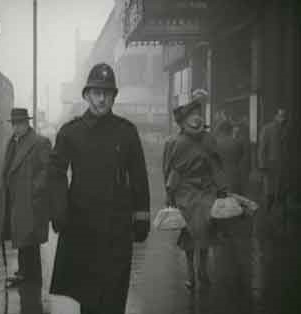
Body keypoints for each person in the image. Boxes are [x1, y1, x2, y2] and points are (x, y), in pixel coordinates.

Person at [48, 63, 150, 314]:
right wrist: (59, 210)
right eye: (96, 92)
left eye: (107, 93)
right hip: (82, 227)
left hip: (117, 230)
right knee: (89, 298)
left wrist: (141, 216)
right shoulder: (70, 133)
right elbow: (55, 173)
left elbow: (138, 176)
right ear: (86, 95)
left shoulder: (126, 132)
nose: (102, 98)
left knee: (115, 296)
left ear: (114, 96)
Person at [163, 100, 228, 289]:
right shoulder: (176, 142)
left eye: (198, 114)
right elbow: (173, 171)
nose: (196, 118)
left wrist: (222, 187)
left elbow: (216, 166)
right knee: (190, 232)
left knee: (205, 229)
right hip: (186, 193)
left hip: (206, 191)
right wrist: (170, 193)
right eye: (192, 115)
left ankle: (202, 271)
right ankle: (192, 273)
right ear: (184, 121)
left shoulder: (208, 140)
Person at [0, 108, 51, 286]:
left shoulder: (40, 142)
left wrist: (34, 189)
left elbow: (48, 170)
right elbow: (7, 168)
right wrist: (0, 189)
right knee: (22, 236)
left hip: (30, 200)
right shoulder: (12, 143)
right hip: (15, 199)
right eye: (14, 124)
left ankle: (30, 276)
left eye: (20, 123)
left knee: (29, 239)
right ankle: (25, 272)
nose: (16, 127)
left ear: (27, 123)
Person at [258, 108, 288, 212]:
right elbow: (262, 148)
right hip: (269, 164)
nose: (283, 118)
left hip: (282, 163)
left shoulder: (286, 129)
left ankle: (277, 209)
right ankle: (267, 210)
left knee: (279, 187)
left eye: (284, 116)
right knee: (269, 189)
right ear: (275, 116)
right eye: (280, 116)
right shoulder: (267, 129)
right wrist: (262, 164)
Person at [215, 120, 245, 194]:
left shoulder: (214, 143)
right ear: (230, 130)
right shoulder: (237, 143)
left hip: (219, 177)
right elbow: (240, 157)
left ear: (219, 130)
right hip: (235, 175)